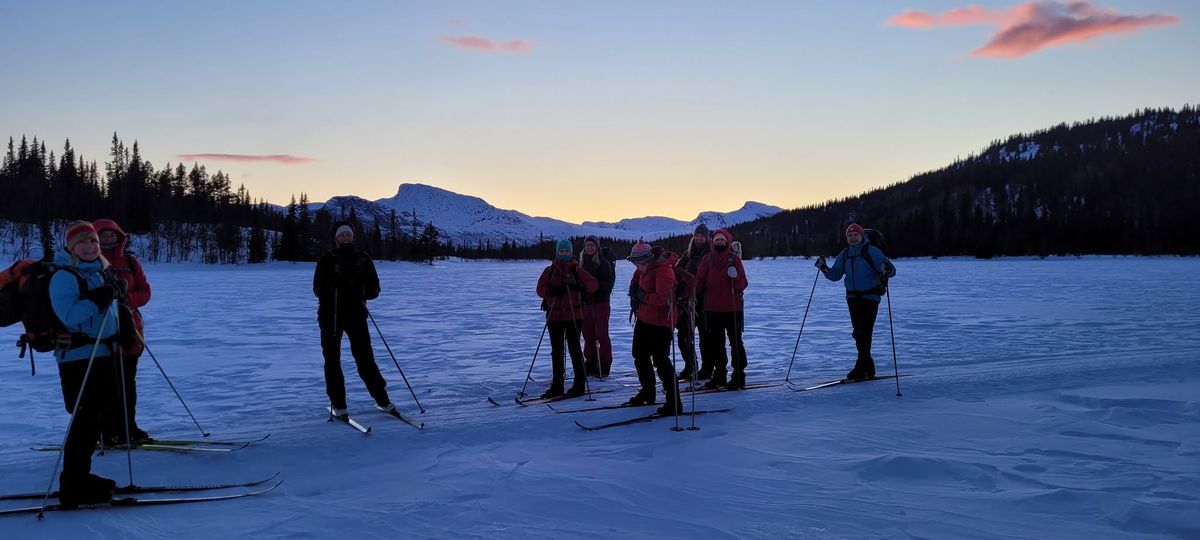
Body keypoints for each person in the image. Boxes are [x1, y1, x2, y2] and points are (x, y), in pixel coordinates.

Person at [49, 221, 121, 507]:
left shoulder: (99, 272)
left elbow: (105, 312)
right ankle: (73, 484)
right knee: (84, 420)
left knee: (96, 419)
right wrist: (97, 298)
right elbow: (69, 314)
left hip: (102, 354)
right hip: (78, 358)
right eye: (83, 242)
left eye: (93, 241)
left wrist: (121, 319)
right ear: (71, 247)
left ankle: (82, 476)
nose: (90, 247)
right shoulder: (64, 276)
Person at [313, 221, 395, 417]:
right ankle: (338, 404)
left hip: (356, 316)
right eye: (342, 235)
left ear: (353, 237)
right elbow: (317, 289)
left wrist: (360, 290)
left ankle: (382, 400)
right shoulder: (327, 259)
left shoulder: (363, 259)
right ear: (336, 238)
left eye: (348, 234)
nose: (345, 238)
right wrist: (333, 286)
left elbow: (375, 289)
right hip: (330, 317)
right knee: (332, 361)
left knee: (365, 359)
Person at [93, 219, 152, 445]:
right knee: (106, 385)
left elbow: (145, 292)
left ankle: (129, 427)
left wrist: (125, 299)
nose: (108, 239)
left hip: (130, 329)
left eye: (111, 235)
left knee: (128, 382)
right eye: (103, 235)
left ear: (120, 237)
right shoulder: (88, 262)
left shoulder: (130, 261)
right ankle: (107, 430)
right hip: (101, 332)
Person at [815, 223, 896, 380]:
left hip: (870, 297)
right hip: (852, 298)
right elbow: (835, 275)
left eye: (855, 235)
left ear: (861, 236)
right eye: (850, 236)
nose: (853, 238)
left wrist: (886, 268)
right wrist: (824, 268)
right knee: (861, 332)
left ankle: (861, 367)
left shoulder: (872, 251)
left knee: (862, 331)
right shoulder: (844, 254)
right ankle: (868, 365)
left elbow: (891, 270)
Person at [535, 239, 598, 399]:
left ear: (571, 252)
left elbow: (593, 285)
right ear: (557, 253)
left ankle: (579, 384)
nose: (564, 254)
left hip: (574, 316)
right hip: (554, 316)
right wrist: (551, 290)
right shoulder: (549, 270)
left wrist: (579, 287)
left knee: (575, 350)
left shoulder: (577, 270)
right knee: (556, 352)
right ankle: (557, 385)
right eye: (561, 251)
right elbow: (540, 289)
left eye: (566, 251)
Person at [626, 241, 682, 415]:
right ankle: (648, 391)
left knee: (661, 360)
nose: (637, 266)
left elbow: (662, 299)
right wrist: (634, 292)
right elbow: (636, 283)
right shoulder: (643, 269)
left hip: (661, 321)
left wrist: (642, 297)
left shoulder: (664, 270)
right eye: (635, 263)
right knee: (640, 355)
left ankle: (674, 402)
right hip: (644, 318)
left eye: (639, 263)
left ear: (647, 259)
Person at [695, 228, 749, 390]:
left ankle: (739, 376)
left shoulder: (734, 259)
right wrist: (692, 294)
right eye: (717, 240)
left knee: (735, 343)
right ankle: (720, 375)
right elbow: (700, 280)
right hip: (712, 309)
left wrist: (735, 277)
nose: (719, 242)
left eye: (722, 240)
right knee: (716, 344)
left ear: (727, 242)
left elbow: (742, 284)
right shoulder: (707, 259)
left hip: (732, 308)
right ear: (713, 242)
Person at [675, 223, 710, 380]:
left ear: (707, 237)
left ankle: (707, 368)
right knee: (683, 335)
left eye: (702, 236)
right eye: (697, 235)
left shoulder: (710, 253)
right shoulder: (688, 254)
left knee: (705, 336)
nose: (699, 238)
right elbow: (676, 269)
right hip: (687, 300)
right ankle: (690, 365)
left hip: (704, 300)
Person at [579, 236, 615, 378]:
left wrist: (593, 290)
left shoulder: (603, 263)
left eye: (592, 245)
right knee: (588, 335)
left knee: (602, 335)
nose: (589, 247)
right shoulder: (581, 262)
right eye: (587, 245)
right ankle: (591, 362)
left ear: (596, 247)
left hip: (601, 303)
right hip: (586, 304)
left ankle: (605, 364)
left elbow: (608, 285)